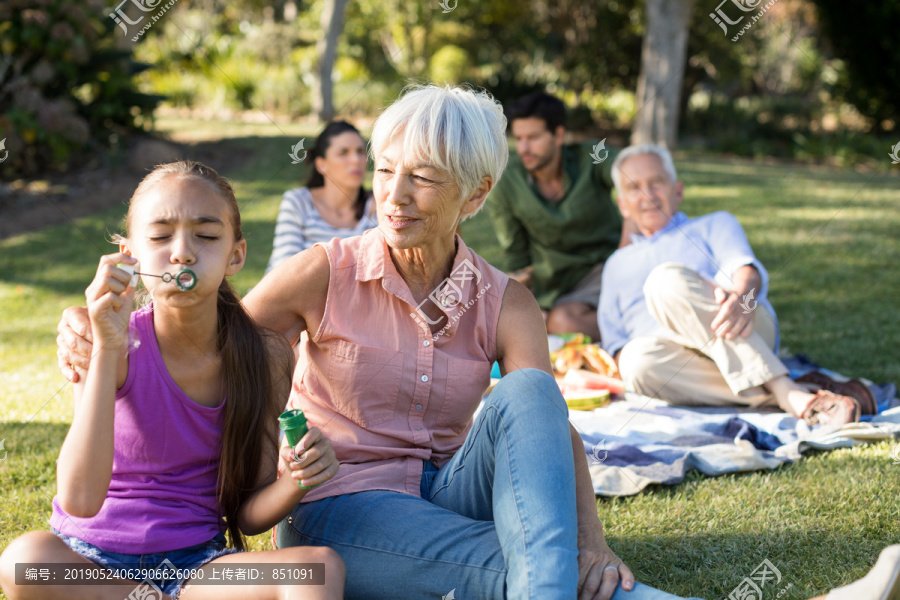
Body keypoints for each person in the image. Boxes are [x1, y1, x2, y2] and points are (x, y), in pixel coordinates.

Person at [54, 86, 703, 600]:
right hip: (345, 501)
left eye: (421, 178)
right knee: (521, 564)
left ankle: (550, 568)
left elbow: (548, 432)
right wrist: (92, 329)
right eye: (386, 169)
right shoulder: (324, 271)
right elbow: (214, 337)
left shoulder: (506, 301)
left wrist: (593, 541)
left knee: (533, 392)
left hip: (449, 489)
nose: (391, 196)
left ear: (476, 192)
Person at [0, 161, 345, 600]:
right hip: (89, 562)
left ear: (235, 254)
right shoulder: (103, 341)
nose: (182, 251)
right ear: (130, 256)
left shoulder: (267, 354)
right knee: (25, 560)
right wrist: (107, 348)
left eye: (206, 235)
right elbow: (80, 500)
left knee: (318, 569)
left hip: (198, 568)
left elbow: (248, 514)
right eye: (161, 236)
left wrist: (295, 480)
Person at [598, 144, 876, 427]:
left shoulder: (714, 224)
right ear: (622, 205)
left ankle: (785, 390)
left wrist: (742, 294)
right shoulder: (615, 265)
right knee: (635, 363)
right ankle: (798, 393)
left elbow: (746, 272)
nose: (647, 195)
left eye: (656, 182)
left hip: (740, 325)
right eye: (634, 188)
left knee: (662, 282)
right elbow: (615, 343)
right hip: (677, 360)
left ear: (677, 190)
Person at [484, 90, 633, 340]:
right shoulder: (506, 185)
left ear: (559, 135)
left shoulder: (591, 157)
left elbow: (631, 170)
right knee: (558, 322)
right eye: (519, 138)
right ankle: (635, 327)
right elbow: (517, 259)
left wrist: (625, 253)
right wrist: (530, 305)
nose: (524, 147)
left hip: (612, 264)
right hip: (563, 286)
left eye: (533, 137)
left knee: (560, 322)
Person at [266, 120, 376, 273]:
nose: (356, 160)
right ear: (321, 165)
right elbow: (283, 270)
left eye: (360, 152)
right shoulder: (298, 202)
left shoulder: (378, 207)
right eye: (343, 153)